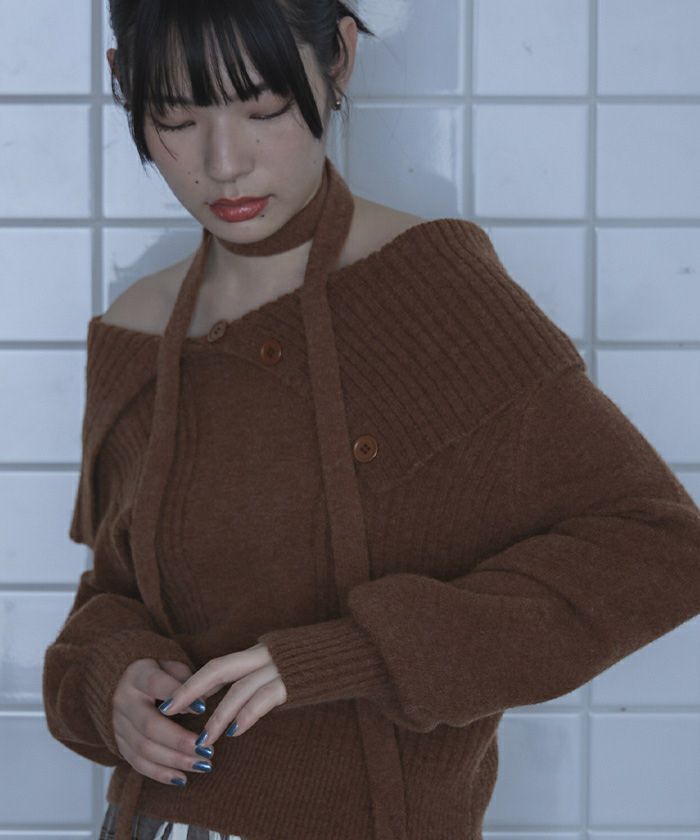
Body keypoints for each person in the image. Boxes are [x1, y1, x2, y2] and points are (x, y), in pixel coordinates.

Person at [42, 1, 700, 839]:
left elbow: (660, 548)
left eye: (263, 107)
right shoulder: (134, 330)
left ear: (339, 58)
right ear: (122, 84)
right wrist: (116, 680)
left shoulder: (433, 291)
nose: (224, 163)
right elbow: (110, 596)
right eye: (175, 116)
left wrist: (359, 653)